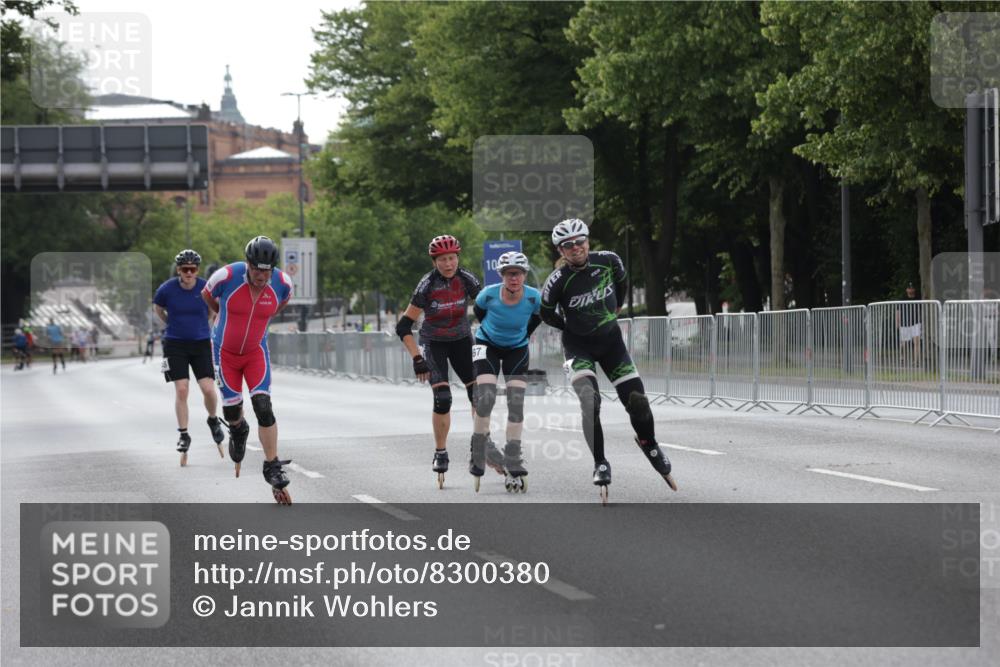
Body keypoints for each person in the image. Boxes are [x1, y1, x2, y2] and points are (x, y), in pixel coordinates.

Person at [540, 219, 677, 504]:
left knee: (637, 401)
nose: (576, 248)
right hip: (578, 348)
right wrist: (567, 326)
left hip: (611, 343)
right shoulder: (557, 281)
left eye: (580, 242)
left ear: (588, 241)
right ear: (561, 250)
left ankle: (649, 444)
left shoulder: (609, 261)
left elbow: (622, 284)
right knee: (590, 401)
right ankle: (600, 462)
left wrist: (616, 307)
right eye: (568, 245)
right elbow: (546, 313)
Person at [395, 234, 502, 489]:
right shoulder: (427, 285)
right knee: (443, 399)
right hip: (434, 345)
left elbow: (488, 307)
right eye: (442, 259)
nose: (448, 263)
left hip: (463, 341)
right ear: (434, 262)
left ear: (458, 257)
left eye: (452, 258)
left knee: (479, 395)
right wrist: (417, 358)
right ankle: (440, 451)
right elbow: (403, 326)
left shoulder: (467, 278)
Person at [202, 236, 294, 504]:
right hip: (224, 353)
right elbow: (206, 295)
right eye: (256, 269)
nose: (261, 275)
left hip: (255, 353)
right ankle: (238, 428)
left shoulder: (282, 283)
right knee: (232, 409)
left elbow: (281, 303)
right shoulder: (226, 276)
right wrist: (223, 315)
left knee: (263, 406)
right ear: (247, 264)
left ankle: (272, 465)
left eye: (267, 270)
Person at [470, 251, 542, 493]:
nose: (514, 279)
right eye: (510, 274)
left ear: (524, 275)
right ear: (502, 275)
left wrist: (520, 335)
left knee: (516, 403)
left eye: (519, 274)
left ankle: (513, 454)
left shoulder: (533, 298)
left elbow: (535, 320)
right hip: (486, 344)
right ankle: (478, 447)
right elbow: (479, 314)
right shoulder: (487, 295)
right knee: (487, 396)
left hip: (517, 348)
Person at [153, 249, 227, 466]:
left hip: (201, 343)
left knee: (208, 389)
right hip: (175, 344)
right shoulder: (167, 289)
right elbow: (158, 308)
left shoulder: (206, 287)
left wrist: (207, 324)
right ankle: (184, 434)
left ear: (197, 270)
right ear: (178, 270)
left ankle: (213, 419)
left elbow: (214, 309)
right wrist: (169, 324)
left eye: (192, 269)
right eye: (184, 269)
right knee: (182, 389)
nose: (188, 272)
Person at [896, 281, 922, 367]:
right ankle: (902, 358)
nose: (911, 290)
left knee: (917, 342)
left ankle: (916, 361)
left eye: (912, 288)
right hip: (904, 323)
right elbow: (898, 311)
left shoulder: (918, 298)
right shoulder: (902, 298)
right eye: (909, 288)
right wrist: (897, 323)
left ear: (914, 289)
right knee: (904, 343)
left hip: (915, 323)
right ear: (906, 290)